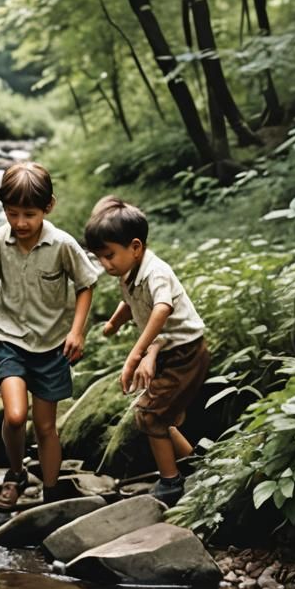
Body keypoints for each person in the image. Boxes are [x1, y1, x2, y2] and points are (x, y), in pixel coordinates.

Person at [0, 162, 98, 508]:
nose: (21, 223)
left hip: (52, 344)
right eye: (12, 214)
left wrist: (77, 332)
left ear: (48, 207)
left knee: (45, 426)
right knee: (13, 415)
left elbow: (86, 285)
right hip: (7, 338)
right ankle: (15, 473)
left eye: (29, 214)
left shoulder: (62, 244)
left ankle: (51, 492)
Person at [83, 196, 209, 507]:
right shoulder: (128, 271)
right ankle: (194, 464)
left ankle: (170, 481)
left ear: (136, 247)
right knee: (161, 415)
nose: (105, 264)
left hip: (185, 352)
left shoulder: (156, 272)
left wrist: (136, 354)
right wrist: (113, 322)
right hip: (168, 349)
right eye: (99, 257)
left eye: (109, 255)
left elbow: (162, 308)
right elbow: (129, 301)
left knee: (149, 414)